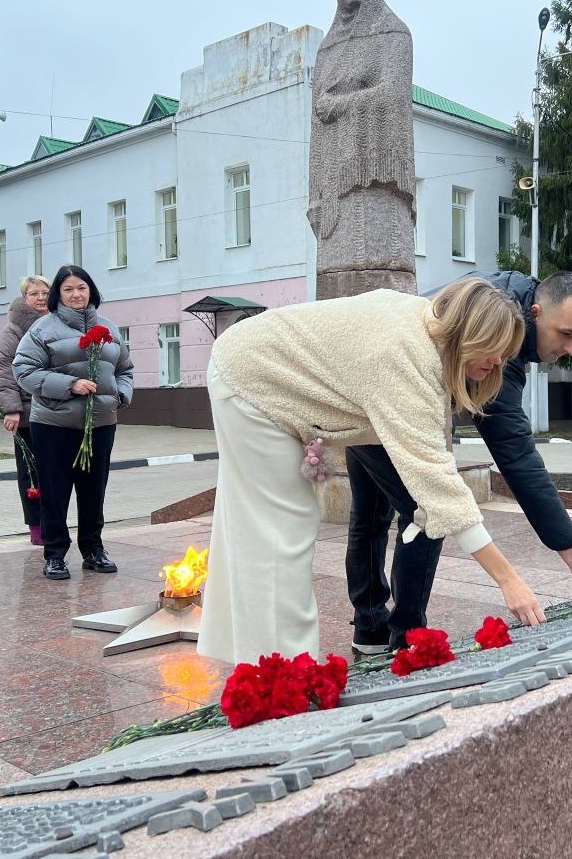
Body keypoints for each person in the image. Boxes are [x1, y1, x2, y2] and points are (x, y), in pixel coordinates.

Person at [197, 278, 548, 666]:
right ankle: (286, 678)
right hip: (252, 380)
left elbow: (434, 465)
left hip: (248, 365)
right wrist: (508, 580)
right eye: (495, 350)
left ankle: (251, 658)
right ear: (470, 333)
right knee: (282, 531)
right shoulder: (405, 354)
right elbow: (438, 483)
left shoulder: (424, 333)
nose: (499, 362)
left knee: (257, 530)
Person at [346, 271, 572, 654]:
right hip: (382, 385)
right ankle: (405, 640)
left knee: (375, 514)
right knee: (425, 509)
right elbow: (516, 455)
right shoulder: (498, 340)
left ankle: (372, 628)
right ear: (535, 312)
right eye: (566, 334)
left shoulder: (502, 301)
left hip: (367, 381)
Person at [307, 0, 416, 299]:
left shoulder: (394, 33)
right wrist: (315, 194)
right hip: (334, 191)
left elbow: (392, 95)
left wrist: (339, 104)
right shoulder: (326, 49)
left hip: (377, 185)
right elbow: (316, 129)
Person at [12, 264, 133, 580]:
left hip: (101, 423)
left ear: (91, 290)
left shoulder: (109, 327)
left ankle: (93, 550)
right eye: (68, 289)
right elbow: (24, 371)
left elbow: (125, 369)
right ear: (58, 295)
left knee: (94, 490)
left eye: (81, 287)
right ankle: (54, 555)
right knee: (56, 491)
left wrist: (119, 394)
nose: (76, 294)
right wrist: (70, 385)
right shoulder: (42, 330)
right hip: (54, 424)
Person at [0, 275, 50, 545]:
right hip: (27, 414)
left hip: (58, 410)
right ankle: (37, 527)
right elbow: (4, 370)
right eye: (33, 293)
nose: (40, 298)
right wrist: (12, 409)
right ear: (24, 298)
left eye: (44, 292)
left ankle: (54, 522)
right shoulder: (13, 329)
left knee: (56, 472)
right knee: (31, 472)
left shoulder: (58, 323)